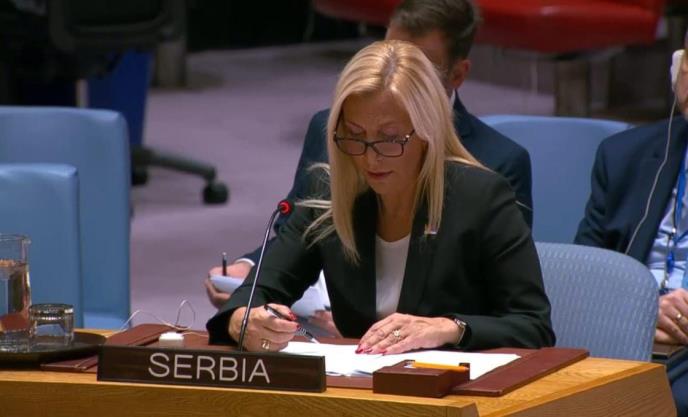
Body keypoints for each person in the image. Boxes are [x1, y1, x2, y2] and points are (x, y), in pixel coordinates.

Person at [206, 40, 554, 354]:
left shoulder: (480, 197)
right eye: (355, 136)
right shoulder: (328, 194)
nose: (371, 159)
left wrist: (448, 328)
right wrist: (243, 321)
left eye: (389, 139)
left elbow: (533, 326)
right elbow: (255, 294)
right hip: (360, 387)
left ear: (427, 131)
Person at [574, 37, 688, 417]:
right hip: (622, 336)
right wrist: (639, 309)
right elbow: (584, 271)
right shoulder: (625, 155)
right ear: (677, 69)